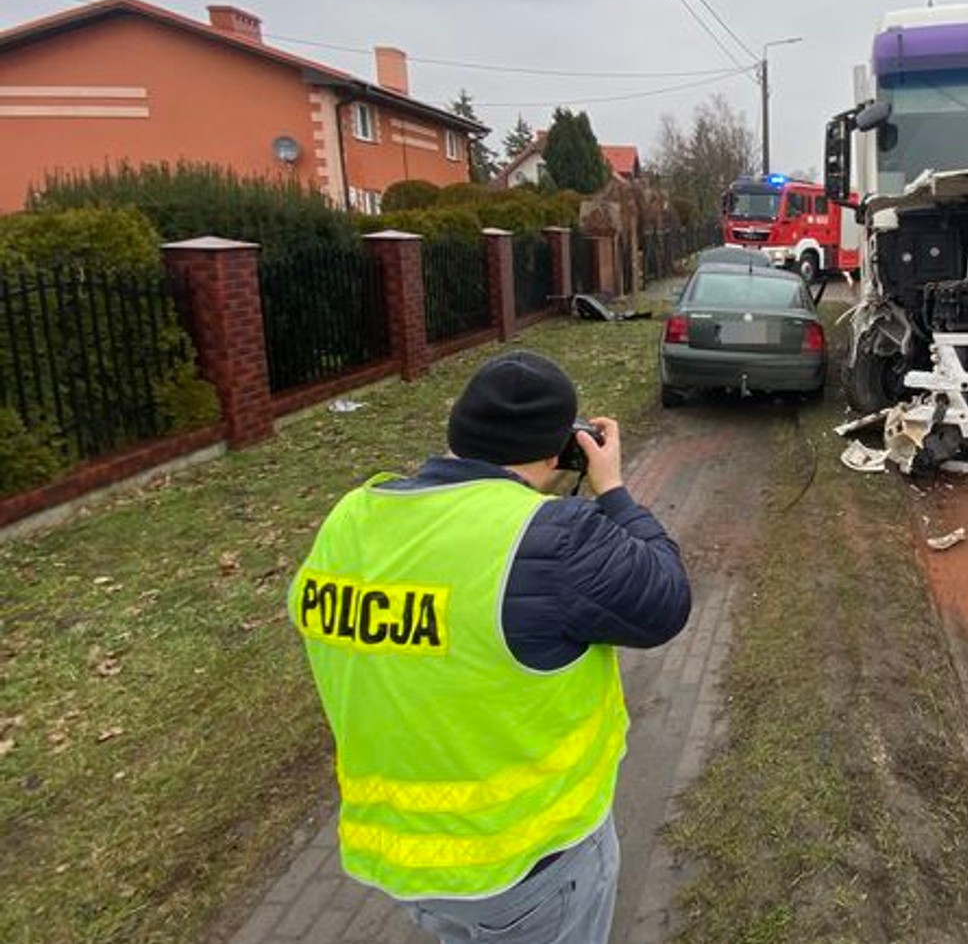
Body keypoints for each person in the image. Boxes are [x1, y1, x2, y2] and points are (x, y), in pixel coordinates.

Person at [288, 349, 691, 944]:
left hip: (405, 864)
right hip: (531, 864)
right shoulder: (550, 535)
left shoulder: (351, 518)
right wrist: (611, 488)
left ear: (458, 432)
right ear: (560, 452)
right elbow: (666, 599)